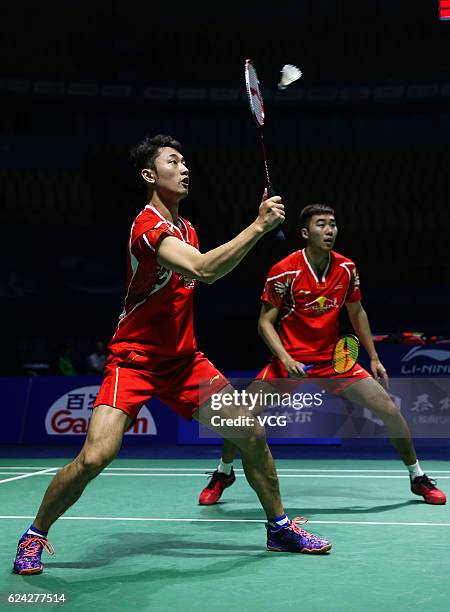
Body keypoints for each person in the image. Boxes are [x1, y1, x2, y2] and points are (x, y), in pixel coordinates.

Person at [13, 136, 332, 576]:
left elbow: (208, 267)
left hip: (184, 362)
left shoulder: (188, 230)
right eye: (173, 161)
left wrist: (252, 233)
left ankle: (279, 528)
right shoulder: (147, 228)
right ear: (150, 175)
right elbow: (205, 269)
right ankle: (34, 535)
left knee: (251, 433)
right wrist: (258, 227)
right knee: (94, 458)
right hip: (135, 361)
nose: (184, 168)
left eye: (185, 162)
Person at [198, 204, 446, 507]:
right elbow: (264, 323)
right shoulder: (284, 271)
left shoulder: (346, 269)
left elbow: (357, 312)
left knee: (388, 409)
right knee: (241, 416)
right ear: (305, 233)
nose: (329, 230)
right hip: (290, 362)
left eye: (332, 224)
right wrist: (286, 358)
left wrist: (374, 357)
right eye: (321, 225)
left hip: (333, 361)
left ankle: (417, 476)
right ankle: (223, 473)